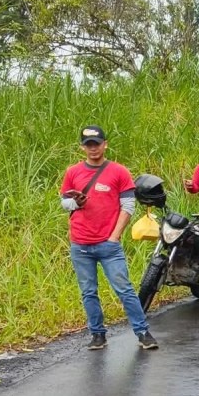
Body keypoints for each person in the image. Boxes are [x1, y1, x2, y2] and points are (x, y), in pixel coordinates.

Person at [60, 125, 158, 351]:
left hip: (108, 244)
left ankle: (142, 332)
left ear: (105, 144)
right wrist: (76, 202)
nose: (93, 149)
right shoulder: (73, 172)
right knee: (88, 292)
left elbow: (128, 206)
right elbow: (64, 203)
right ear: (82, 147)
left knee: (124, 289)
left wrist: (115, 236)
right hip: (80, 243)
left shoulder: (119, 172)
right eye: (88, 145)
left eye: (96, 144)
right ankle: (97, 334)